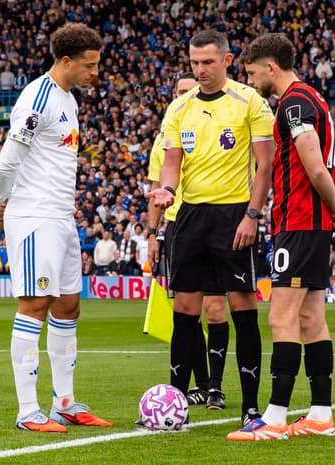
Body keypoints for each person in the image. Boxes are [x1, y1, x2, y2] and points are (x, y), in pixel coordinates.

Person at [227, 32, 335, 440]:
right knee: (311, 318)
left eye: (251, 73)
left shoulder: (294, 104)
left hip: (300, 222)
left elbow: (315, 166)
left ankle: (275, 417)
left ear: (270, 68)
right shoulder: (313, 98)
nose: (250, 82)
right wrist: (334, 210)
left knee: (281, 316)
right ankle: (320, 415)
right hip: (311, 224)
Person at [148, 29, 275, 426]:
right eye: (194, 63)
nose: (200, 70)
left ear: (226, 59)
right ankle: (177, 404)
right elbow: (171, 162)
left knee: (241, 309)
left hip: (233, 215)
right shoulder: (179, 108)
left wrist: (252, 215)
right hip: (189, 218)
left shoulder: (249, 101)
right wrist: (166, 190)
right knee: (184, 312)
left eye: (206, 62)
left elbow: (265, 164)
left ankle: (251, 406)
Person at [0, 23, 111, 433]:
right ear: (65, 61)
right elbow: (7, 161)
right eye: (89, 65)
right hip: (33, 215)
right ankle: (28, 411)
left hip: (60, 215)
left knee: (68, 306)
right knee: (35, 306)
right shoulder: (38, 97)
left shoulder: (69, 99)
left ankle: (64, 403)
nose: (96, 72)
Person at [146, 71, 221, 407]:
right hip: (177, 228)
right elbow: (155, 188)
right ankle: (197, 384)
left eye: (190, 90)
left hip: (212, 220)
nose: (184, 95)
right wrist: (152, 232)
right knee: (186, 312)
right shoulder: (164, 138)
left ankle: (212, 385)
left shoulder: (213, 127)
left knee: (215, 307)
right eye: (179, 90)